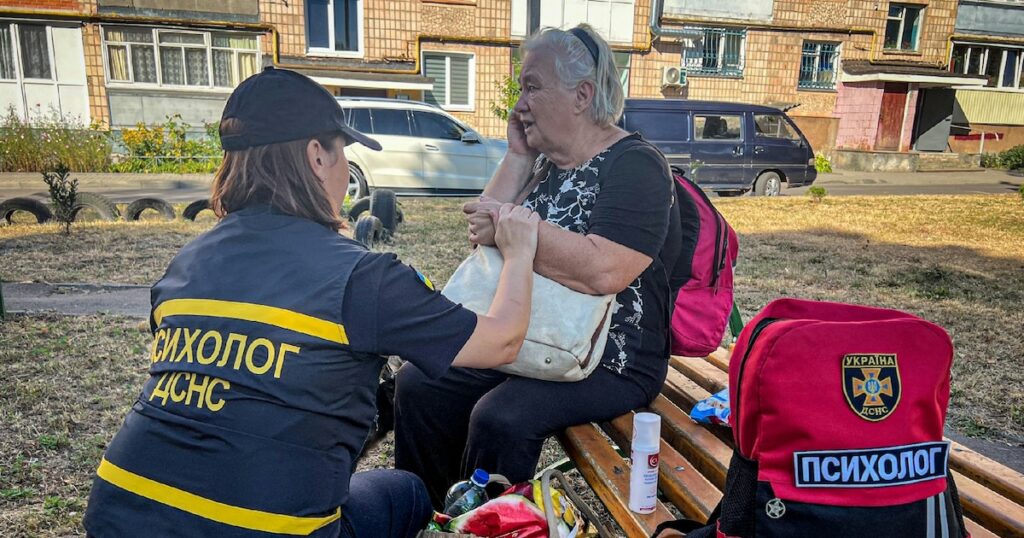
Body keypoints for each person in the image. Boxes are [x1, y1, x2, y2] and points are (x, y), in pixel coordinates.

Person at [82, 67, 541, 538]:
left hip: (118, 514)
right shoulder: (363, 277)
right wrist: (521, 248)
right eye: (344, 151)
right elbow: (503, 340)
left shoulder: (187, 260)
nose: (346, 168)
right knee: (406, 491)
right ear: (317, 156)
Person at [394, 24, 681, 507]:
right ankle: (422, 511)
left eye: (532, 87)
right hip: (534, 338)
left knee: (500, 417)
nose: (519, 102)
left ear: (582, 95)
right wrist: (517, 154)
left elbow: (604, 270)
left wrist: (519, 233)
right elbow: (481, 228)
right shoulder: (548, 162)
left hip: (611, 360)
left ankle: (486, 522)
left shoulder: (636, 166)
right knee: (420, 381)